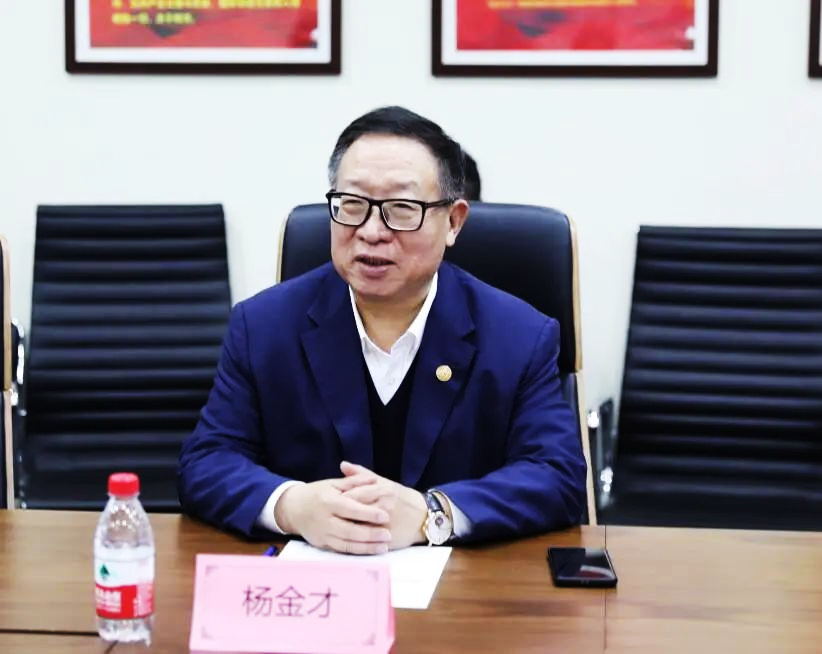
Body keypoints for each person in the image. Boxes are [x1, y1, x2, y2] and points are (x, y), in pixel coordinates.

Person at [178, 106, 586, 553]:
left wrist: (435, 514)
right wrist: (292, 505)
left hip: (463, 586)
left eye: (401, 209)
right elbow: (206, 463)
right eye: (352, 205)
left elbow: (558, 476)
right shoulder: (263, 326)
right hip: (315, 583)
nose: (371, 232)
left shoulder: (519, 336)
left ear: (453, 221)